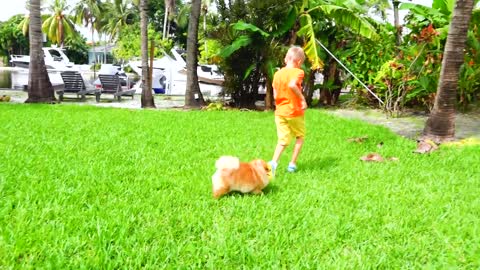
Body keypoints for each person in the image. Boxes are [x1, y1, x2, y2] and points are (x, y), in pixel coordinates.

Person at [269, 46, 307, 174]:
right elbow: (292, 85)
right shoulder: (298, 72)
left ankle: (273, 163)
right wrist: (302, 99)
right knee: (300, 136)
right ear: (299, 62)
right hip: (294, 112)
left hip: (280, 113)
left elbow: (275, 95)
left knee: (282, 141)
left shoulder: (277, 74)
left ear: (286, 59)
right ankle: (292, 164)